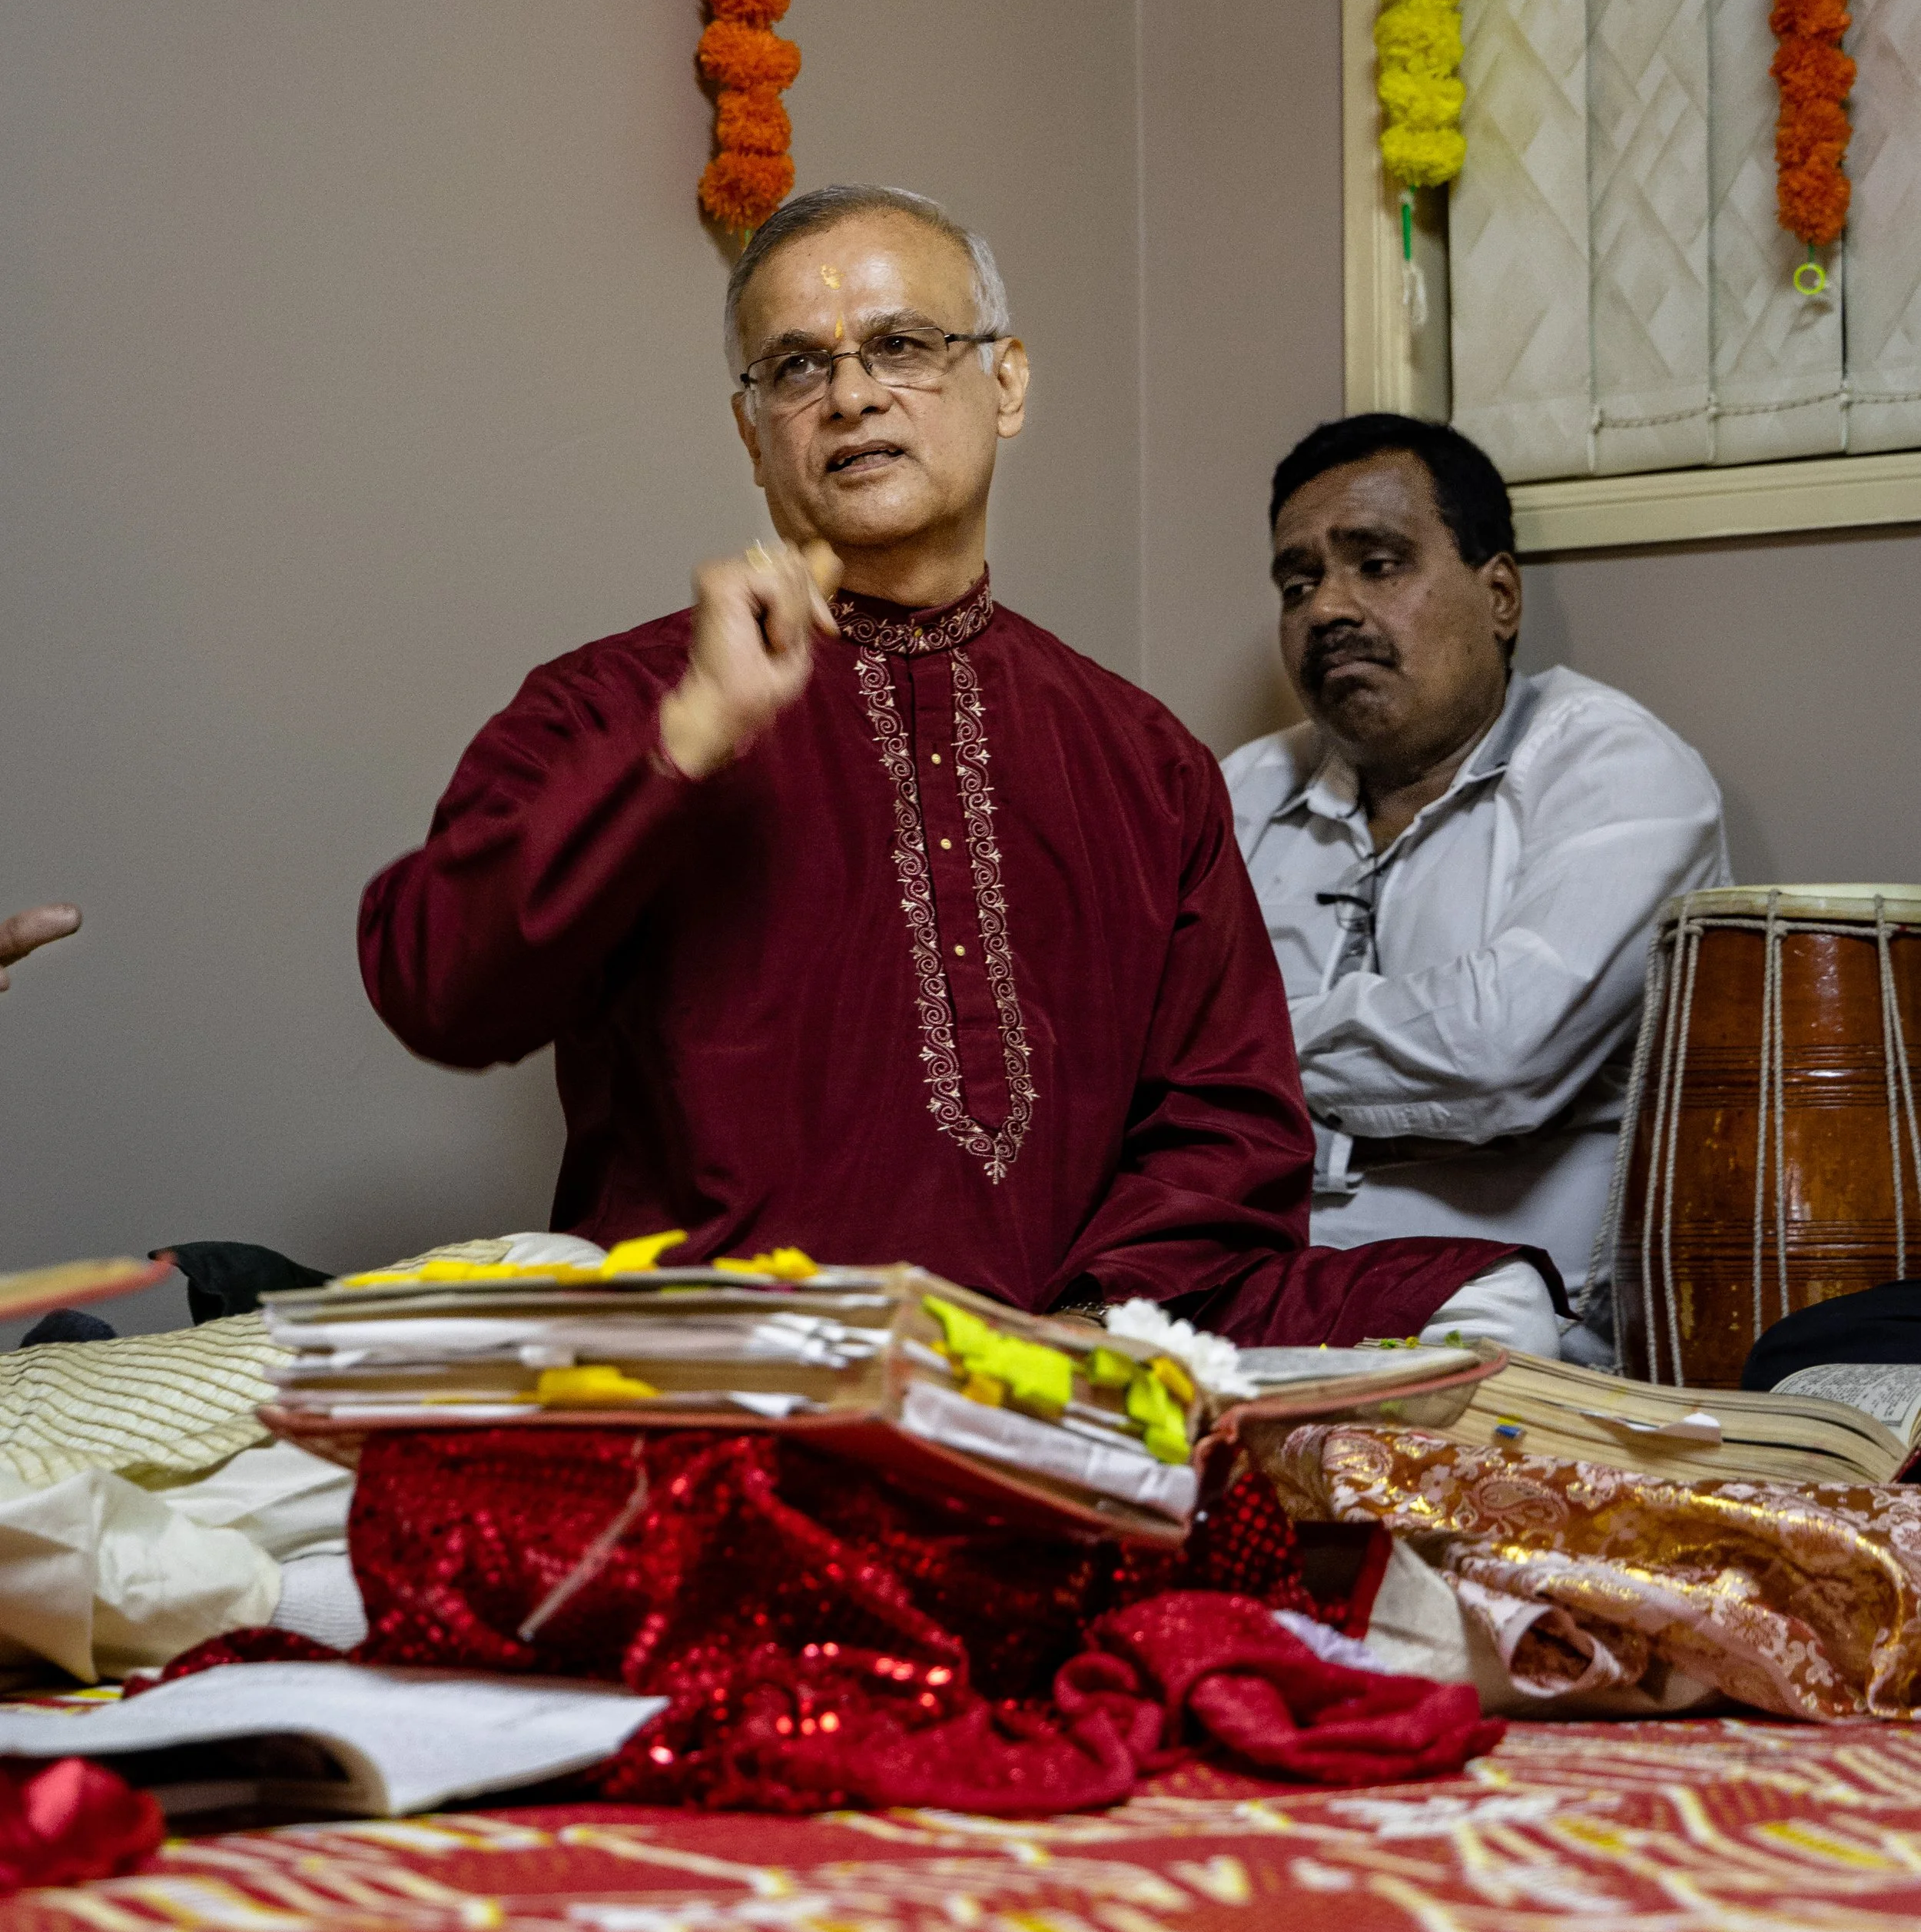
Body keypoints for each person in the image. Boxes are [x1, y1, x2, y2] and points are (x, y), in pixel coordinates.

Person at [360, 186, 1528, 1346]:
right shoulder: (614, 704)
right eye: (796, 368)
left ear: (1006, 382)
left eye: (902, 345)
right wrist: (687, 742)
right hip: (732, 1395)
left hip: (1062, 1373)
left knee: (1499, 1307)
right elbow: (436, 986)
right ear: (751, 429)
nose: (852, 393)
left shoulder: (1142, 756)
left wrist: (1075, 1332)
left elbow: (1228, 1129)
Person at [1223, 413, 1727, 1358]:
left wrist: (1235, 1045)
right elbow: (1118, 1055)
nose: (1328, 607)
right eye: (1299, 583)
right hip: (1250, 1290)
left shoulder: (1618, 771)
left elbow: (1500, 1052)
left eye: (1376, 564)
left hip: (1515, 1319)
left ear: (1499, 596)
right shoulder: (1235, 794)